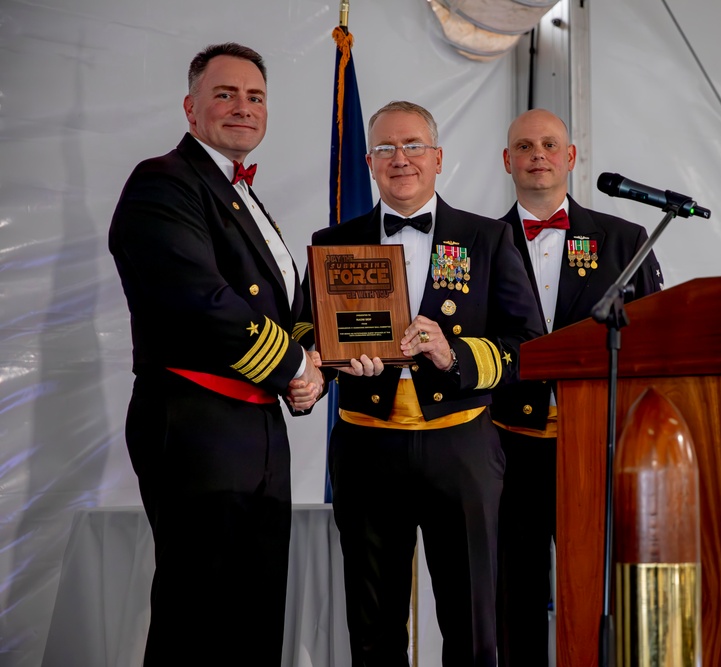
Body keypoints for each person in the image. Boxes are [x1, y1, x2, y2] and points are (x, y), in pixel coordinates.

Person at [108, 42, 325, 666]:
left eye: (255, 96)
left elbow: (291, 314)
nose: (243, 107)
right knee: (197, 618)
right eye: (225, 94)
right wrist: (292, 367)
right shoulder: (162, 182)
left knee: (255, 619)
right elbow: (200, 301)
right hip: (195, 420)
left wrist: (317, 372)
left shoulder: (246, 199)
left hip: (256, 427)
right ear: (190, 106)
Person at [305, 100, 543, 666]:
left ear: (438, 159)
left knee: (470, 622)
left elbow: (528, 345)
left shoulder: (486, 239)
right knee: (372, 624)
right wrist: (332, 364)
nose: (400, 159)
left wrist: (453, 353)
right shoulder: (332, 241)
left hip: (460, 445)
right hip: (366, 445)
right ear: (368, 161)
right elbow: (310, 333)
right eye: (386, 148)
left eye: (413, 146)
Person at [492, 108, 664, 666]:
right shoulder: (476, 243)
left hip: (595, 445)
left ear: (570, 157)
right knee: (512, 589)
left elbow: (652, 344)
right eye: (524, 146)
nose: (537, 153)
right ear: (507, 161)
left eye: (548, 144)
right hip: (506, 443)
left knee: (593, 585)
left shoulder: (626, 239)